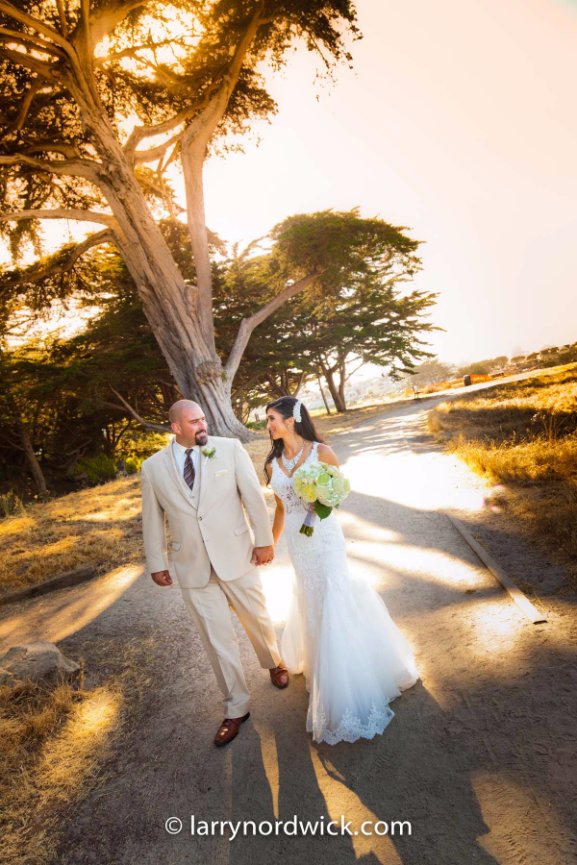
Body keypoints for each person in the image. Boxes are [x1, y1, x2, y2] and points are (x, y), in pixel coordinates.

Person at [265, 396, 418, 745]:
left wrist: (314, 504)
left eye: (272, 419)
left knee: (333, 596)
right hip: (297, 542)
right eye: (268, 420)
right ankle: (321, 666)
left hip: (324, 539)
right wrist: (271, 544)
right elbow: (278, 508)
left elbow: (333, 498)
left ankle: (347, 684)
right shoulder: (273, 464)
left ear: (291, 420)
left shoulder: (322, 453)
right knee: (310, 597)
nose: (268, 426)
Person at [141, 399, 289, 747]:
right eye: (194, 421)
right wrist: (157, 563)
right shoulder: (152, 468)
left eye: (203, 419)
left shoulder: (229, 448)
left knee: (256, 616)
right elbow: (152, 519)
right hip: (191, 565)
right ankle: (236, 706)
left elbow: (253, 497)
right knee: (215, 636)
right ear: (175, 427)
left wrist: (264, 541)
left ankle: (274, 661)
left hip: (237, 554)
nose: (202, 425)